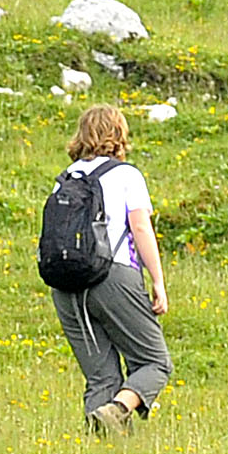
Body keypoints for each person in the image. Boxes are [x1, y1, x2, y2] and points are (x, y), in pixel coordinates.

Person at [43, 103, 171, 436]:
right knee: (154, 362)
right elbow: (140, 228)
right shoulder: (126, 175)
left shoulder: (65, 179)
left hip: (66, 285)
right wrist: (157, 281)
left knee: (101, 376)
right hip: (113, 276)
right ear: (119, 135)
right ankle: (117, 410)